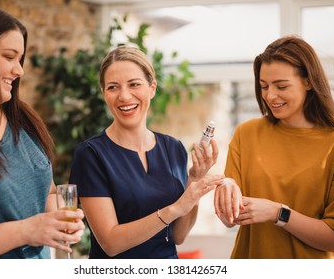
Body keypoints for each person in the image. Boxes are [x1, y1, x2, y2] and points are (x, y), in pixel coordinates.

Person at [69, 46, 224, 259]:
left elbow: (178, 236)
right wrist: (174, 209)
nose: (124, 96)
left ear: (152, 88)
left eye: (134, 84)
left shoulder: (173, 148)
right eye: (113, 87)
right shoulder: (91, 155)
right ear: (104, 93)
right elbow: (110, 243)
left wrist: (195, 179)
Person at [0, 5, 84, 259]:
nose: (20, 70)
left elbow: (46, 191)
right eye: (9, 56)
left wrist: (58, 218)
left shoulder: (22, 119)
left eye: (20, 59)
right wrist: (25, 231)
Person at [214, 36, 334, 258]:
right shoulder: (247, 134)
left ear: (309, 82)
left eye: (281, 86)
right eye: (264, 86)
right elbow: (230, 219)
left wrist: (278, 213)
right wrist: (225, 191)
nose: (270, 96)